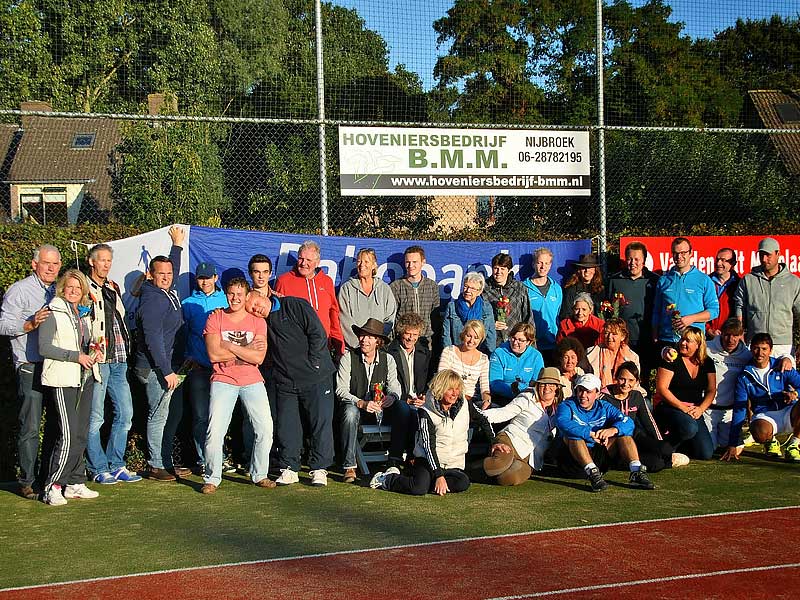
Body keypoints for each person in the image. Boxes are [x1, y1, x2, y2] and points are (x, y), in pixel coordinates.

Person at [244, 289, 336, 487]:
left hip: (316, 376)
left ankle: (319, 469)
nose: (256, 310)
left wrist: (315, 362)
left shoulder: (294, 304)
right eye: (251, 309)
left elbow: (317, 332)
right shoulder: (260, 323)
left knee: (320, 423)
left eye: (256, 304)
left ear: (263, 296)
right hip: (285, 381)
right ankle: (290, 468)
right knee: (287, 426)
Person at [368, 369, 499, 496]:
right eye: (450, 389)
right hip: (427, 461)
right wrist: (439, 475)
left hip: (452, 463)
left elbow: (483, 419)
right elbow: (428, 446)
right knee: (418, 488)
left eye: (457, 389)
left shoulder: (466, 404)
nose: (455, 393)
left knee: (463, 482)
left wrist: (494, 442)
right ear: (440, 390)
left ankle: (430, 482)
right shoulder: (426, 412)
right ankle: (387, 479)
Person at [201, 278, 275, 493]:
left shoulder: (257, 322)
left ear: (247, 296)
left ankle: (259, 474)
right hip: (223, 379)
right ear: (226, 294)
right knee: (215, 432)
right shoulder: (215, 318)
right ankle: (212, 478)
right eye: (231, 294)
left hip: (252, 380)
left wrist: (229, 345)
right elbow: (214, 355)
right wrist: (246, 349)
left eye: (239, 294)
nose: (235, 298)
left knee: (265, 429)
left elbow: (259, 358)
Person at [0, 244, 61, 499]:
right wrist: (29, 323)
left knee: (57, 426)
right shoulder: (19, 290)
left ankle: (49, 478)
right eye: (46, 263)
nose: (51, 268)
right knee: (31, 426)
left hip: (57, 366)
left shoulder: (60, 290)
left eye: (55, 264)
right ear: (34, 264)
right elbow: (3, 324)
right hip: (30, 364)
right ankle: (27, 481)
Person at [39, 269, 100, 505]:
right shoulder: (52, 311)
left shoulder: (81, 314)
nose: (74, 291)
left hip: (84, 378)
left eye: (78, 288)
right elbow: (45, 347)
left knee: (82, 432)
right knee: (68, 434)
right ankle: (52, 486)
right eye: (70, 287)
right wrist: (75, 357)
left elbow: (86, 344)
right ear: (62, 288)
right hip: (62, 378)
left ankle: (75, 482)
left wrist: (94, 351)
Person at [84, 243, 141, 485]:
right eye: (102, 260)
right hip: (98, 361)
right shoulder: (83, 286)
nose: (106, 264)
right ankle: (97, 467)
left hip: (119, 359)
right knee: (95, 417)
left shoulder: (112, 287)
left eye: (109, 260)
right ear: (91, 261)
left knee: (125, 414)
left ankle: (116, 464)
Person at [134, 226, 186, 481]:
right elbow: (153, 339)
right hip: (156, 369)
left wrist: (176, 246)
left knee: (169, 414)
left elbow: (171, 269)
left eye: (169, 273)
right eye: (161, 274)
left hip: (166, 366)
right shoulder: (153, 299)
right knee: (158, 416)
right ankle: (156, 465)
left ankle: (165, 460)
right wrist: (165, 371)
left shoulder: (163, 291)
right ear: (150, 275)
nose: (166, 277)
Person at [555, 373, 654, 492]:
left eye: (588, 392)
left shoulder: (604, 406)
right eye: (580, 390)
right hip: (572, 461)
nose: (583, 395)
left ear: (597, 394)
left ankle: (636, 471)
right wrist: (590, 434)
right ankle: (592, 473)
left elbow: (628, 422)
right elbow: (563, 422)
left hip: (599, 455)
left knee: (624, 435)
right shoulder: (566, 405)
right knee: (573, 436)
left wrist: (613, 430)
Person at [336, 318, 403, 483]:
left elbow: (395, 387)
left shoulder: (388, 359)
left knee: (403, 409)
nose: (364, 340)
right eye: (362, 335)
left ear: (378, 341)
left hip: (380, 410)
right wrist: (360, 403)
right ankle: (349, 466)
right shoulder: (348, 358)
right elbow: (340, 390)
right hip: (356, 407)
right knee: (350, 412)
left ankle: (397, 459)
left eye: (369, 337)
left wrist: (392, 397)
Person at [181, 261, 228, 475]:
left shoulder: (226, 300)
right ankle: (204, 459)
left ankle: (221, 457)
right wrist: (188, 357)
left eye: (208, 277)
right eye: (201, 278)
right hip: (199, 368)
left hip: (223, 369)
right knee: (201, 416)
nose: (205, 281)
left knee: (220, 416)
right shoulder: (188, 303)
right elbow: (181, 335)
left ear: (215, 278)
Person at [482, 367, 563, 485]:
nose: (546, 388)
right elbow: (504, 413)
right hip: (511, 440)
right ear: (537, 386)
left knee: (508, 478)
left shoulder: (561, 409)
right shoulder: (527, 398)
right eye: (542, 384)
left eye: (551, 384)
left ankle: (490, 471)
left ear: (557, 388)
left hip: (531, 459)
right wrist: (478, 415)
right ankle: (468, 470)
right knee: (498, 464)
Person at [604, 362, 688, 472]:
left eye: (631, 380)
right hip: (615, 443)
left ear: (637, 382)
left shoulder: (636, 396)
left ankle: (664, 459)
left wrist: (659, 443)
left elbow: (648, 422)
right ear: (616, 378)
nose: (626, 384)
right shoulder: (604, 398)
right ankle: (619, 464)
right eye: (622, 379)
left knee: (665, 449)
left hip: (635, 437)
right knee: (656, 464)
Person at [733, 333, 800, 463]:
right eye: (756, 348)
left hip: (789, 411)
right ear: (751, 349)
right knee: (758, 431)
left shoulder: (782, 365)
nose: (760, 353)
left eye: (764, 349)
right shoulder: (744, 375)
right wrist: (734, 442)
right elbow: (739, 408)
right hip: (764, 415)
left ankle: (794, 444)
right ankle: (770, 441)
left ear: (771, 350)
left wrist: (795, 394)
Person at [653, 326, 717, 460]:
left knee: (705, 453)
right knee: (689, 427)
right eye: (682, 339)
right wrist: (683, 407)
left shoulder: (707, 362)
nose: (683, 343)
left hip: (694, 410)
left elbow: (711, 390)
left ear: (698, 344)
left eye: (688, 340)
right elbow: (662, 389)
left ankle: (682, 446)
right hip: (670, 407)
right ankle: (664, 449)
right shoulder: (671, 358)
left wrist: (701, 409)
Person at [275, 240, 345, 357]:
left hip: (322, 347)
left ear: (317, 263)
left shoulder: (327, 282)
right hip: (295, 348)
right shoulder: (283, 281)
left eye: (308, 260)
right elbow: (277, 317)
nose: (303, 263)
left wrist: (339, 345)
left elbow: (333, 314)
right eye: (301, 258)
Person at [734, 237, 800, 359]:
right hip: (755, 342)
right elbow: (739, 307)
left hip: (782, 345)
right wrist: (740, 334)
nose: (764, 259)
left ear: (778, 254)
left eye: (768, 255)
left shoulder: (794, 282)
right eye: (761, 255)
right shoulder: (748, 280)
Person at [606, 241, 659, 386]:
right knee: (621, 377)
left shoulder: (654, 281)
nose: (633, 263)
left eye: (637, 259)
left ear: (644, 260)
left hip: (646, 338)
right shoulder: (615, 280)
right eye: (629, 259)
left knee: (644, 377)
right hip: (623, 340)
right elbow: (608, 309)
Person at [652, 237, 719, 348]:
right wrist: (655, 334)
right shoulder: (663, 280)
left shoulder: (704, 280)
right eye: (676, 253)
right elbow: (656, 311)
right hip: (667, 340)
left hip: (693, 340)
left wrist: (691, 318)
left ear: (691, 253)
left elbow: (714, 311)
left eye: (683, 253)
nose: (679, 257)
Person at [386, 312, 431, 463]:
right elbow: (388, 383)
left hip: (419, 400)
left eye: (415, 334)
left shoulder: (425, 353)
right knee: (404, 409)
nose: (411, 338)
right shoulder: (389, 352)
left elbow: (429, 380)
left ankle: (418, 458)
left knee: (422, 411)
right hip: (397, 399)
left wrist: (424, 396)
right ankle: (396, 457)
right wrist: (406, 399)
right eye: (408, 334)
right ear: (400, 332)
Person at [338, 248, 397, 350]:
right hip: (354, 349)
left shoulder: (384, 289)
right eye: (359, 261)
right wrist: (360, 343)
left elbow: (390, 318)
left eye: (366, 261)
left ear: (374, 265)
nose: (362, 265)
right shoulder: (346, 289)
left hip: (378, 348)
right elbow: (344, 320)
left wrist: (376, 342)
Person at [389, 245, 441, 349]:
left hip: (426, 341)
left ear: (423, 262)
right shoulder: (395, 286)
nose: (410, 265)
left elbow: (435, 317)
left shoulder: (432, 286)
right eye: (407, 262)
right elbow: (391, 317)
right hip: (403, 340)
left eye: (414, 262)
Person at [437, 320, 491, 409]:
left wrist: (487, 400)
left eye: (476, 338)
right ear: (463, 335)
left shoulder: (484, 359)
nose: (471, 341)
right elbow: (442, 380)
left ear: (481, 339)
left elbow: (484, 388)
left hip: (471, 401)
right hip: (449, 398)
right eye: (469, 336)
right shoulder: (449, 351)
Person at [482, 252, 533, 345]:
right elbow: (476, 317)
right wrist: (490, 324)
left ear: (509, 270)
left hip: (515, 342)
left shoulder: (519, 287)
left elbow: (528, 317)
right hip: (491, 342)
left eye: (502, 269)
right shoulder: (483, 288)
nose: (498, 272)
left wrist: (530, 345)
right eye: (496, 268)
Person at [488, 323, 544, 406]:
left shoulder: (536, 356)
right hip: (503, 397)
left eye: (520, 340)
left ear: (528, 342)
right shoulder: (499, 353)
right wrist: (513, 391)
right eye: (513, 338)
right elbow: (495, 382)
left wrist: (523, 392)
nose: (515, 342)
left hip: (527, 398)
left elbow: (537, 381)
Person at [523, 247, 563, 364]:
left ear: (550, 265)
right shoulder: (523, 287)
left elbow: (558, 314)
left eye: (546, 263)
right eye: (539, 262)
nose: (542, 267)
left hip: (552, 344)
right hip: (531, 344)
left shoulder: (556, 288)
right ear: (533, 264)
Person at [442, 271, 496, 354]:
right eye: (466, 286)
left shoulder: (486, 308)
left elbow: (490, 335)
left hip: (479, 353)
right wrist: (449, 354)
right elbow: (446, 334)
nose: (468, 290)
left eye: (472, 288)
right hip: (456, 352)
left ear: (479, 292)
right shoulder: (452, 307)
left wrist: (490, 355)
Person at [585, 318, 640, 390]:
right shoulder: (591, 352)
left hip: (625, 392)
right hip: (597, 393)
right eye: (606, 333)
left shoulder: (632, 357)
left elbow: (635, 383)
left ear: (622, 337)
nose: (609, 337)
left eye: (614, 334)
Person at [706, 247, 740, 339]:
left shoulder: (739, 285)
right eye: (717, 259)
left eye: (723, 260)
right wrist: (709, 330)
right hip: (708, 337)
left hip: (731, 338)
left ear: (733, 263)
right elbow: (699, 308)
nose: (718, 263)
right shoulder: (706, 282)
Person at [560, 253, 604, 319]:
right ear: (579, 270)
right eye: (584, 268)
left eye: (590, 267)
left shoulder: (600, 290)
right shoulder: (571, 290)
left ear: (595, 270)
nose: (587, 271)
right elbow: (566, 315)